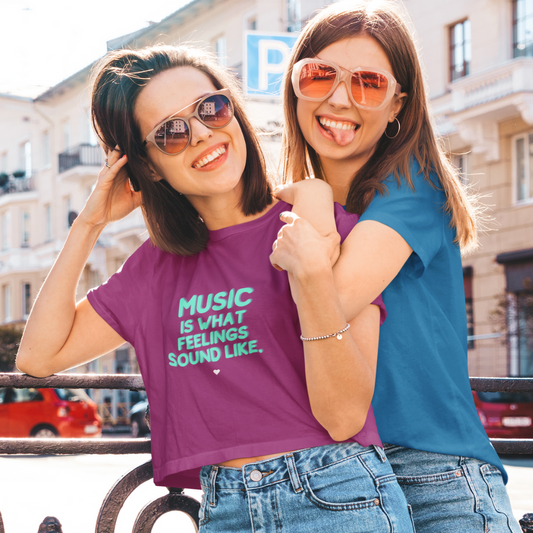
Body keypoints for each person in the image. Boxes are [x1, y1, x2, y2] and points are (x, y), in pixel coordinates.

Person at [16, 45, 415, 533]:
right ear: (149, 167)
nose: (202, 133)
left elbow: (345, 417)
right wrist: (90, 222)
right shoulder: (153, 270)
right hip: (223, 508)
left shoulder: (321, 228)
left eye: (211, 108)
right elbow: (37, 357)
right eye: (171, 132)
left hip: (334, 494)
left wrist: (311, 276)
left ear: (235, 112)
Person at [277, 1, 522, 532]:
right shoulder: (286, 211)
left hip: (436, 478)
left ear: (396, 106)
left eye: (367, 83)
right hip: (332, 475)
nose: (339, 98)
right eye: (320, 75)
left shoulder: (415, 187)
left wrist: (314, 199)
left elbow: (329, 305)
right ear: (296, 85)